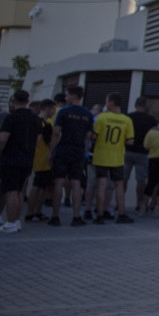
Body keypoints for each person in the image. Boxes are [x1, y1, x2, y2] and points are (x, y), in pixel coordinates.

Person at [0, 91, 43, 234]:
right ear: (27, 100)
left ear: (13, 101)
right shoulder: (35, 119)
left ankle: (10, 222)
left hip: (12, 158)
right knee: (20, 191)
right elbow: (38, 140)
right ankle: (16, 220)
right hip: (27, 159)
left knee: (11, 191)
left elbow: (2, 139)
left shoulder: (11, 118)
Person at [48, 86, 94, 227]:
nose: (65, 97)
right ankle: (76, 216)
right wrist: (84, 151)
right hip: (78, 152)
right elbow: (88, 136)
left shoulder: (63, 112)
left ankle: (55, 216)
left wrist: (51, 152)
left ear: (73, 96)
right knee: (76, 184)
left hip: (63, 150)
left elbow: (56, 133)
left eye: (67, 95)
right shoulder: (88, 114)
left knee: (59, 183)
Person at [92, 92, 134, 224]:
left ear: (111, 102)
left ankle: (99, 215)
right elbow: (130, 141)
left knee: (101, 185)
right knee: (119, 186)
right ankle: (121, 213)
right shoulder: (127, 120)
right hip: (117, 157)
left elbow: (93, 136)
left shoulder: (101, 118)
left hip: (101, 156)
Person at [25, 99, 58, 224]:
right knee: (38, 187)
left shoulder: (37, 122)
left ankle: (36, 212)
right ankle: (31, 213)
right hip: (43, 160)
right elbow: (49, 142)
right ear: (47, 109)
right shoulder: (45, 124)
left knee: (41, 187)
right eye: (53, 109)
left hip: (38, 158)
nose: (54, 111)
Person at [125, 98, 156, 213]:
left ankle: (120, 202)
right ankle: (140, 203)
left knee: (123, 178)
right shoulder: (151, 120)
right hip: (143, 152)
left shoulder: (128, 117)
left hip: (127, 150)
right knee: (141, 180)